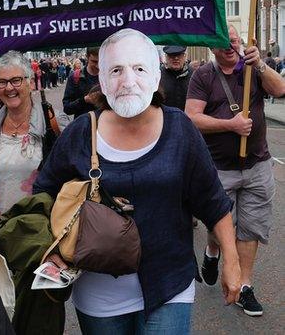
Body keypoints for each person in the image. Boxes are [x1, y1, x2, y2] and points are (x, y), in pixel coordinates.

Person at [34, 28, 240, 334]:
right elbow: (44, 194)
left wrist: (232, 261)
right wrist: (51, 250)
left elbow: (212, 200)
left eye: (139, 68)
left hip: (169, 285)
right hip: (99, 295)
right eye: (116, 70)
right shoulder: (80, 133)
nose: (128, 81)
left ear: (155, 76)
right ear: (102, 79)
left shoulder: (179, 129)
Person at [185, 25, 285, 317]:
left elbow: (280, 89)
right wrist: (230, 125)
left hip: (257, 164)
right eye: (221, 42)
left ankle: (245, 287)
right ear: (212, 47)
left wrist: (261, 64)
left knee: (250, 226)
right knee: (221, 225)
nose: (229, 45)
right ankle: (212, 251)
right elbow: (192, 118)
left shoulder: (253, 69)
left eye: (234, 40)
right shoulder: (203, 75)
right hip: (218, 168)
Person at [0, 51, 70, 222]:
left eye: (16, 80)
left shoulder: (53, 121)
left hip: (39, 232)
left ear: (30, 82)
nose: (9, 88)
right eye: (2, 82)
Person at [62, 47, 100, 118]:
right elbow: (67, 108)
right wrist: (84, 100)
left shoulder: (108, 77)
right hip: (82, 125)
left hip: (105, 125)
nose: (98, 66)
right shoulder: (75, 77)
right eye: (94, 61)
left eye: (101, 61)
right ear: (87, 57)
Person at [159, 45, 192, 111]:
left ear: (184, 56)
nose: (176, 58)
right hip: (163, 118)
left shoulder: (193, 75)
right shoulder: (158, 76)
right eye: (172, 55)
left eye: (179, 55)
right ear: (166, 57)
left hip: (187, 119)